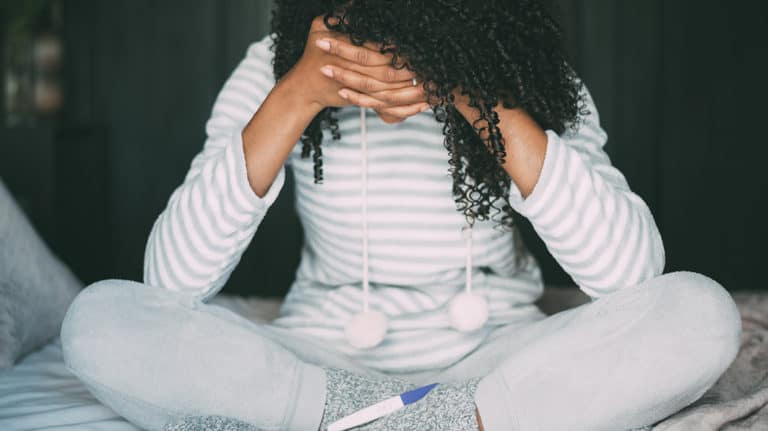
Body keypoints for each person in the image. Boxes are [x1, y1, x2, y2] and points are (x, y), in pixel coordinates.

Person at [60, 2, 742, 430]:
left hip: (495, 363)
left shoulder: (525, 67)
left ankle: (432, 420)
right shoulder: (277, 68)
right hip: (318, 362)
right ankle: (394, 419)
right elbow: (171, 281)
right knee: (97, 321)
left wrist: (477, 96)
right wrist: (297, 95)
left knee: (702, 314)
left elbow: (631, 273)